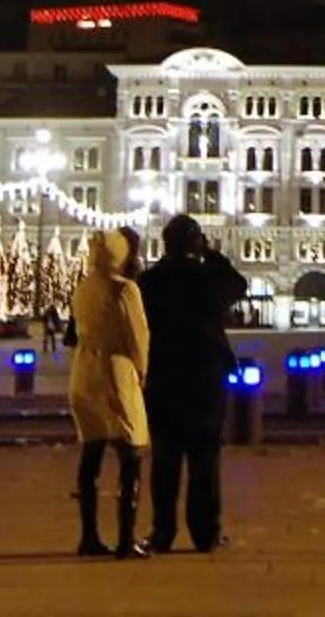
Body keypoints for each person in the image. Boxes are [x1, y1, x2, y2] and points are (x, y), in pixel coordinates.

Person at [138, 214, 247, 554]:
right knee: (204, 460)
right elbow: (238, 284)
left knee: (165, 460)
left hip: (163, 376)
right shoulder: (208, 278)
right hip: (204, 377)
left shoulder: (149, 281)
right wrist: (211, 253)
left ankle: (162, 531)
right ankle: (205, 533)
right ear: (196, 243)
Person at [67, 227, 152, 560]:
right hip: (115, 371)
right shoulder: (125, 289)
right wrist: (142, 372)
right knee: (130, 454)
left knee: (91, 454)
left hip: (83, 371)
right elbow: (138, 336)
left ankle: (89, 536)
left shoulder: (84, 286)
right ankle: (125, 539)